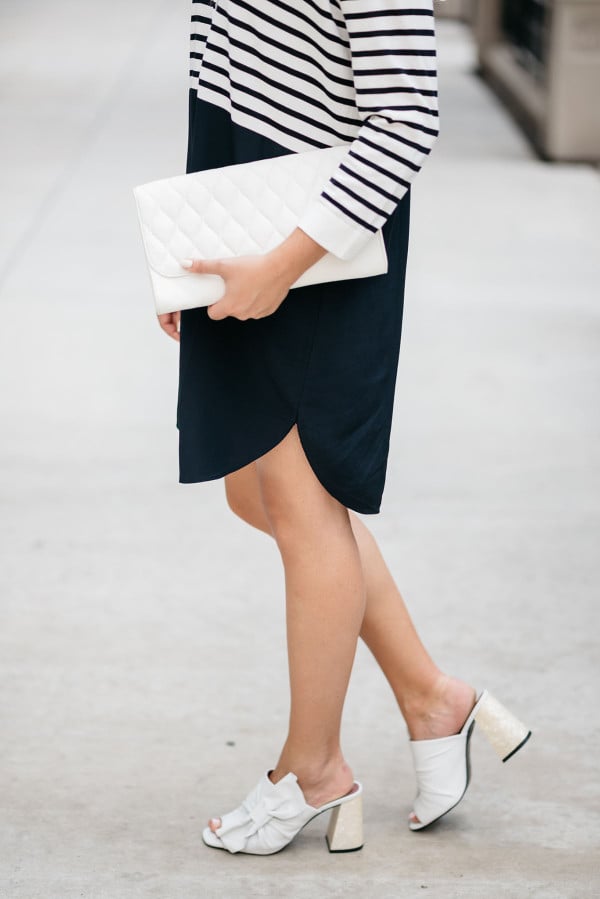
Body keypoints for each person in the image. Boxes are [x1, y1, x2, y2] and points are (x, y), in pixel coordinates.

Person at [157, 0, 531, 855]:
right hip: (245, 205)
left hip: (314, 232)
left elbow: (406, 114)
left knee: (301, 501)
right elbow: (227, 54)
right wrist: (192, 244)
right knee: (252, 490)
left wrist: (282, 266)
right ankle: (433, 695)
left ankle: (314, 767)